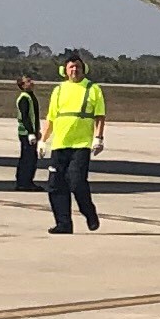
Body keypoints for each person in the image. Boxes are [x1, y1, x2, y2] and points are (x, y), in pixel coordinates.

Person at [40, 52, 106, 233]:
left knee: (76, 181)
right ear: (64, 71)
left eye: (77, 66)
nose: (74, 70)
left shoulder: (93, 89)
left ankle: (89, 213)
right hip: (60, 144)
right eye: (71, 67)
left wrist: (98, 138)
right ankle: (63, 224)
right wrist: (43, 140)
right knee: (56, 184)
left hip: (81, 144)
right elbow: (51, 117)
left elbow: (99, 116)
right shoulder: (59, 90)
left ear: (84, 69)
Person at [11, 71, 44, 188]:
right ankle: (23, 182)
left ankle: (27, 181)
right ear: (22, 85)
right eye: (28, 81)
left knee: (31, 158)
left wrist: (36, 131)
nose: (32, 83)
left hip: (31, 132)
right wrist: (30, 133)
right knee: (27, 159)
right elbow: (25, 117)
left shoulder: (30, 96)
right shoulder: (24, 98)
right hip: (26, 133)